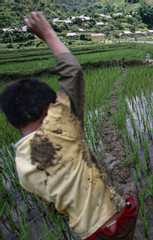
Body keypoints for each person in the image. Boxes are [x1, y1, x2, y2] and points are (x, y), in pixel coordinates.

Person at [0, 12, 139, 240]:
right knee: (131, 194)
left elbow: (54, 204)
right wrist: (47, 34)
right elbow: (72, 72)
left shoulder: (20, 165)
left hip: (87, 233)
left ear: (12, 123)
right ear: (49, 109)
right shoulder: (57, 127)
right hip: (112, 221)